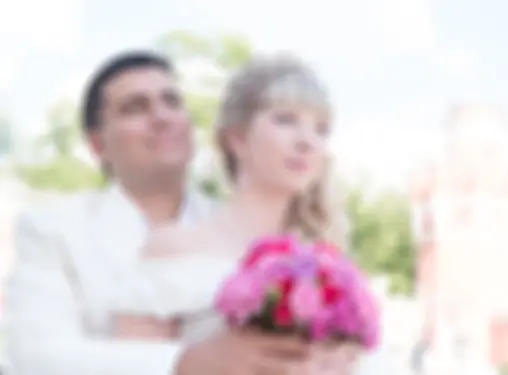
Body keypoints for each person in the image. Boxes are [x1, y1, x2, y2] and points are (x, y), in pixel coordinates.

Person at [3, 51, 332, 375]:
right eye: (135, 108)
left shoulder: (247, 231)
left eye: (172, 102)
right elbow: (37, 358)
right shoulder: (52, 229)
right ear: (98, 144)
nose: (162, 117)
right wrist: (186, 363)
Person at [106, 53, 358, 374]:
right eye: (285, 119)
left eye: (321, 129)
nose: (306, 141)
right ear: (237, 138)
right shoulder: (174, 248)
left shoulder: (326, 263)